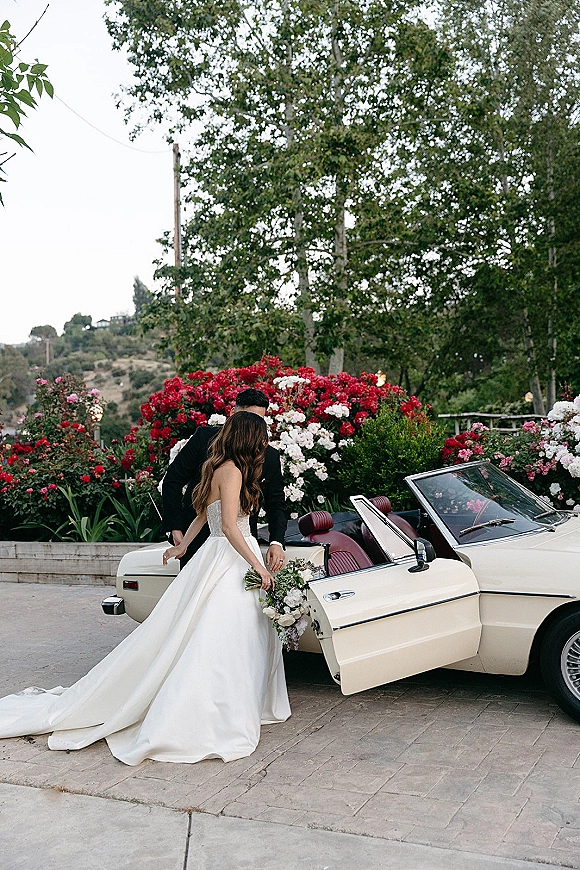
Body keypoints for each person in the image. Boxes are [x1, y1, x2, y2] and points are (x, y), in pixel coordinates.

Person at [0, 412, 291, 765]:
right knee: (223, 635)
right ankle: (213, 712)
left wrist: (184, 547)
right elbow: (229, 526)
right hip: (230, 556)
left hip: (224, 554)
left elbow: (204, 514)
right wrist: (257, 565)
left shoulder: (225, 468)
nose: (265, 443)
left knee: (236, 632)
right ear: (249, 438)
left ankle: (242, 703)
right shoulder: (230, 470)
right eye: (261, 437)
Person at [163, 387, 287, 571]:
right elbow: (172, 481)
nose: (251, 424)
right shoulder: (204, 439)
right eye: (246, 417)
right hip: (198, 540)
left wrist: (276, 541)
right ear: (233, 413)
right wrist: (176, 529)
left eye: (258, 420)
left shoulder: (269, 455)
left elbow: (276, 503)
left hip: (242, 544)